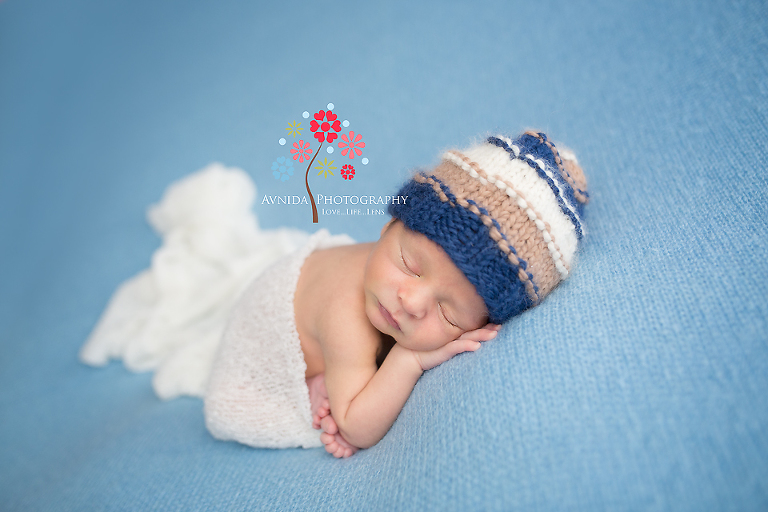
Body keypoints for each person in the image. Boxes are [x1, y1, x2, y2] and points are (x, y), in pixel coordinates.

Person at [203, 131, 589, 457]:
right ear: (389, 227)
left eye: (449, 314)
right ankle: (319, 376)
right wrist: (407, 360)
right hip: (266, 326)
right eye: (409, 263)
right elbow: (356, 427)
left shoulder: (391, 280)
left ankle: (336, 375)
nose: (412, 302)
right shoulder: (346, 314)